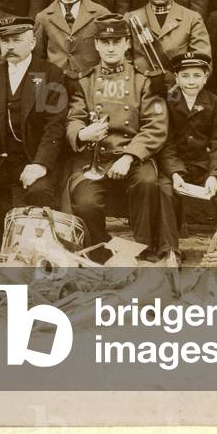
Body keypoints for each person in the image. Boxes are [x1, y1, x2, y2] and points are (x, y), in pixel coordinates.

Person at [65, 14, 169, 263]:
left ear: (126, 44)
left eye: (116, 41)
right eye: (105, 42)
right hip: (95, 158)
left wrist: (129, 156)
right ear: (97, 45)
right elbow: (74, 118)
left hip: (133, 157)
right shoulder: (85, 80)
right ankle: (101, 253)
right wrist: (81, 133)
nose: (111, 48)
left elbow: (155, 126)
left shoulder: (143, 80)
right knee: (86, 201)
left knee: (147, 184)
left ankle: (144, 251)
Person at [0, 17, 69, 251]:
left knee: (39, 190)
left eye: (16, 40)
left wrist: (40, 164)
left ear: (32, 42)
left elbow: (55, 125)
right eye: (5, 40)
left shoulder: (49, 74)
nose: (9, 46)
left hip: (32, 158)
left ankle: (36, 253)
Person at [156, 52, 217, 263]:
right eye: (185, 75)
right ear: (176, 78)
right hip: (177, 165)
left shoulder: (216, 102)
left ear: (205, 77)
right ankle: (169, 250)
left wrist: (215, 175)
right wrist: (175, 173)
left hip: (206, 165)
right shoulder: (167, 101)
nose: (191, 81)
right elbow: (165, 143)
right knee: (163, 189)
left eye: (197, 75)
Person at [123, 0, 211, 82]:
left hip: (178, 90)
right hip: (141, 91)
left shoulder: (192, 19)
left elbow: (203, 62)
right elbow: (124, 62)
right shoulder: (131, 19)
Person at [33, 0, 110, 81]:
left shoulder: (100, 14)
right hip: (56, 84)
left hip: (90, 83)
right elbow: (37, 59)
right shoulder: (43, 17)